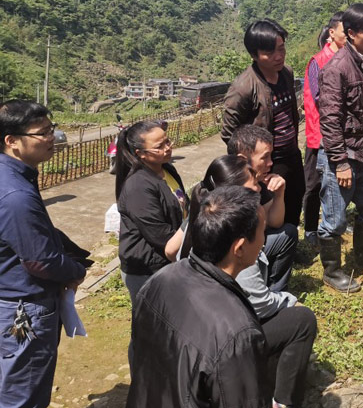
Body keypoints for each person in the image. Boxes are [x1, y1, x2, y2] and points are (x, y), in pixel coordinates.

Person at [128, 186, 314, 408]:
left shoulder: (158, 281)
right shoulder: (237, 331)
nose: (264, 241)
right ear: (240, 248)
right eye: (262, 232)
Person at [0, 100, 91, 408]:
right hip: (24, 306)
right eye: (42, 133)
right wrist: (76, 271)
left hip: (10, 298)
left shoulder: (14, 176)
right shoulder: (15, 194)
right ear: (12, 141)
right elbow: (40, 260)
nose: (52, 137)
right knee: (23, 394)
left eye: (51, 129)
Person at [317, 3, 363, 293]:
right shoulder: (336, 69)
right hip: (341, 155)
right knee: (335, 217)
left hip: (361, 149)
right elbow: (330, 119)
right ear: (351, 33)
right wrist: (340, 162)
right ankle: (332, 272)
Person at [222, 19, 305, 227]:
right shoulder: (243, 88)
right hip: (268, 160)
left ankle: (292, 242)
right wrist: (252, 164)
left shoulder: (286, 73)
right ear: (254, 55)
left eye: (281, 48)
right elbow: (229, 133)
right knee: (269, 206)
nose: (279, 56)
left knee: (295, 195)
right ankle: (269, 251)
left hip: (291, 152)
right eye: (269, 53)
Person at [115, 120, 185, 306]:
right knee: (152, 327)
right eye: (159, 146)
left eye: (167, 141)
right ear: (141, 154)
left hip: (169, 260)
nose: (167, 148)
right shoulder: (138, 186)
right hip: (147, 269)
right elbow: (159, 235)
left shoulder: (167, 170)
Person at [225, 125, 298, 290]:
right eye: (265, 157)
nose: (271, 163)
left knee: (288, 232)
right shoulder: (225, 187)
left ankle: (275, 291)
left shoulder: (257, 181)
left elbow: (275, 223)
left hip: (251, 247)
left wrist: (279, 195)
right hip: (231, 257)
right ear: (242, 159)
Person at [302, 12, 346, 253]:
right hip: (319, 135)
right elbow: (318, 98)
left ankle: (335, 221)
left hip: (339, 133)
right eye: (345, 31)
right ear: (332, 33)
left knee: (337, 181)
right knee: (313, 183)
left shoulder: (347, 59)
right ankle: (310, 228)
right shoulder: (318, 61)